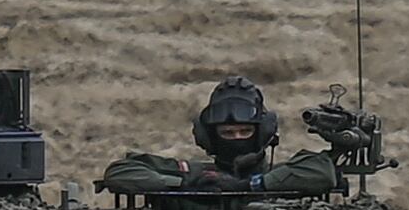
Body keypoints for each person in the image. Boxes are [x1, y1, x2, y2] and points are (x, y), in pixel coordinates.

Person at [98, 76, 343, 198]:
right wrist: (183, 186)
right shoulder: (191, 174)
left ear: (262, 134)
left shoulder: (283, 175)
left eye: (244, 131)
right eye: (227, 133)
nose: (236, 138)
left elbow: (323, 172)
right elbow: (120, 172)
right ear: (209, 136)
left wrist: (248, 186)